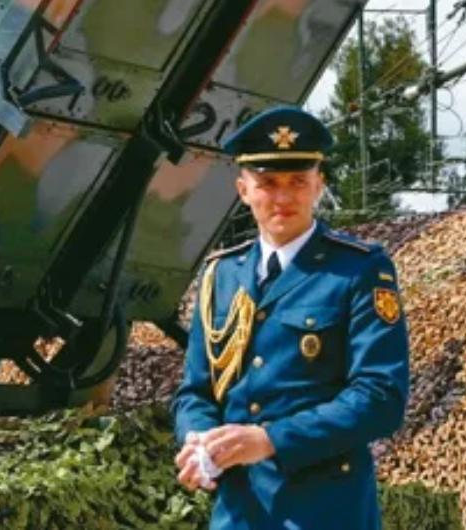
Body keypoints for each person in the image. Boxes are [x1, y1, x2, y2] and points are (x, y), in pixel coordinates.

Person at [173, 105, 411, 529]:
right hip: (240, 513)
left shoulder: (359, 269)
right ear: (243, 190)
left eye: (298, 181)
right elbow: (195, 392)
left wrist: (271, 440)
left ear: (319, 184)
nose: (283, 198)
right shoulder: (220, 275)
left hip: (326, 511)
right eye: (267, 183)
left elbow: (380, 397)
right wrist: (199, 440)